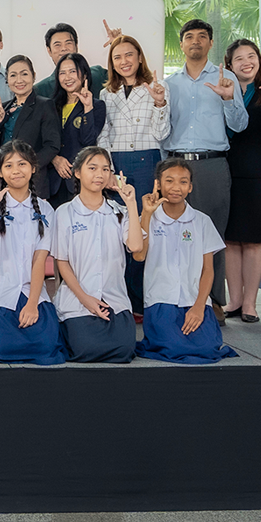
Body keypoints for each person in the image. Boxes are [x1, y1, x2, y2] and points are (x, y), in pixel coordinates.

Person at [161, 20, 248, 320]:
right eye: (189, 37)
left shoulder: (227, 79)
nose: (195, 41)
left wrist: (228, 100)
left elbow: (240, 125)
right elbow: (162, 129)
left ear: (211, 43)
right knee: (174, 234)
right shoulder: (169, 84)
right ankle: (177, 298)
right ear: (181, 44)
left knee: (212, 235)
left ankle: (215, 300)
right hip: (176, 164)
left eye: (202, 36)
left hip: (212, 164)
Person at [0, 140, 66, 365]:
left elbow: (40, 260)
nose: (16, 170)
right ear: (0, 171)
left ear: (33, 168)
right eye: (8, 165)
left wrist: (32, 304)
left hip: (29, 291)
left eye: (22, 164)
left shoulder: (46, 209)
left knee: (46, 346)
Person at [133, 158, 238, 364]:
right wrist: (146, 213)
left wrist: (199, 307)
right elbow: (139, 256)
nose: (176, 187)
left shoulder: (202, 221)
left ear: (190, 187)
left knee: (208, 347)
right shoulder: (147, 218)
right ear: (158, 184)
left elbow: (208, 270)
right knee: (173, 347)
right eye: (169, 181)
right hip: (161, 301)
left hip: (194, 300)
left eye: (183, 182)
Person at [97, 34, 169, 316]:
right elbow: (103, 133)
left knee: (144, 229)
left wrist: (160, 104)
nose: (124, 61)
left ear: (140, 57)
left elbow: (162, 134)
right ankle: (120, 297)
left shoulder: (156, 87)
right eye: (117, 57)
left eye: (129, 55)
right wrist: (107, 169)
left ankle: (141, 300)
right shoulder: (106, 93)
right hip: (117, 165)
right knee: (118, 232)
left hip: (147, 161)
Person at [53, 146, 143, 363]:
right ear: (77, 172)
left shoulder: (119, 211)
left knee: (124, 350)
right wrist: (86, 299)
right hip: (78, 299)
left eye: (105, 169)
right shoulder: (64, 212)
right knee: (84, 349)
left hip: (114, 300)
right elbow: (62, 263)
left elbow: (136, 246)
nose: (99, 174)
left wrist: (131, 203)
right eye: (92, 168)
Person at [220, 40, 261, 323]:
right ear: (229, 65)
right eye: (239, 58)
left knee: (253, 240)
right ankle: (234, 300)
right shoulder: (222, 90)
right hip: (226, 170)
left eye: (251, 56)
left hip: (260, 173)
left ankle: (250, 303)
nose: (246, 62)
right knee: (230, 240)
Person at [0, 55, 61, 195]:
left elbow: (52, 145)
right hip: (6, 181)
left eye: (24, 74)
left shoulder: (44, 105)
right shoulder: (4, 108)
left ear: (33, 76)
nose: (19, 80)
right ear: (7, 80)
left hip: (34, 182)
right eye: (13, 75)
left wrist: (28, 167)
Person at [48, 52, 106, 208]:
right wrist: (54, 158)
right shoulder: (50, 105)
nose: (67, 77)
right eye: (62, 73)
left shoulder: (96, 106)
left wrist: (87, 108)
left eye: (72, 71)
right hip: (53, 181)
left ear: (84, 74)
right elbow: (42, 140)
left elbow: (88, 140)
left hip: (80, 181)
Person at [33, 22, 109, 99]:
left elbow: (116, 81)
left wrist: (116, 43)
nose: (64, 48)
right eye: (57, 45)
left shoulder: (98, 75)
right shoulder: (40, 90)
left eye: (68, 43)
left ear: (76, 46)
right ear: (49, 51)